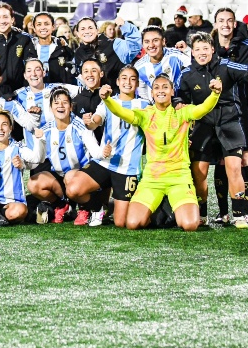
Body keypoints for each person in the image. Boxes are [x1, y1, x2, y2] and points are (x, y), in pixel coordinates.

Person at [100, 74, 221, 232]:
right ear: (151, 93)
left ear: (172, 91)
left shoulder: (183, 113)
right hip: (152, 179)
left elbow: (203, 108)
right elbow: (122, 112)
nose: (160, 90)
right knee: (132, 224)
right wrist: (107, 99)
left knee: (190, 225)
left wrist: (215, 94)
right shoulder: (146, 114)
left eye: (165, 87)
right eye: (156, 87)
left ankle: (170, 208)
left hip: (179, 178)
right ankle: (161, 211)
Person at [179, 32, 248, 228]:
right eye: (197, 49)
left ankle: (239, 214)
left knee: (235, 168)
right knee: (199, 173)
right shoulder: (186, 73)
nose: (202, 53)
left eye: (205, 48)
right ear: (192, 53)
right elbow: (179, 96)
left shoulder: (227, 65)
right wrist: (178, 103)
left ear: (212, 49)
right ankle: (202, 214)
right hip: (202, 126)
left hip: (229, 123)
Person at [27, 87, 102, 225]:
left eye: (64, 102)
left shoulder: (81, 127)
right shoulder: (46, 130)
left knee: (70, 177)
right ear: (50, 107)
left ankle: (85, 208)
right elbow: (37, 159)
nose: (60, 106)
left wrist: (104, 152)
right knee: (33, 183)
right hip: (60, 177)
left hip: (81, 177)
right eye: (56, 103)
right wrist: (22, 161)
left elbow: (96, 153)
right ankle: (62, 205)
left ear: (71, 107)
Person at [212, 8, 248, 224]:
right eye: (221, 20)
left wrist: (226, 65)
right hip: (214, 113)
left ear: (234, 24)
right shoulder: (209, 47)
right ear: (215, 24)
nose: (225, 24)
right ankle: (223, 213)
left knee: (244, 160)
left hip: (241, 111)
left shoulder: (245, 47)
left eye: (229, 21)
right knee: (221, 162)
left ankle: (243, 210)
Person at [85, 66, 149, 227]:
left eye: (132, 79)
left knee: (121, 223)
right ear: (118, 82)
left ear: (137, 83)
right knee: (73, 187)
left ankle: (116, 205)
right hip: (106, 162)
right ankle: (99, 208)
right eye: (124, 78)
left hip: (128, 168)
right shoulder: (108, 101)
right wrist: (90, 122)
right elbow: (95, 123)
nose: (128, 82)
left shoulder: (145, 105)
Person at [73, 16, 141, 90]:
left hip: (115, 96)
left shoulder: (114, 44)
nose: (87, 31)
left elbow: (134, 47)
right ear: (78, 33)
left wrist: (126, 27)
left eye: (90, 28)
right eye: (83, 29)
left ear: (97, 30)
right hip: (92, 98)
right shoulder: (78, 53)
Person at [133, 25, 191, 101]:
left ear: (163, 41)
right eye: (147, 42)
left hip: (182, 104)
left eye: (155, 40)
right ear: (143, 44)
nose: (151, 45)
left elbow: (195, 67)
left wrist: (187, 51)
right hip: (156, 109)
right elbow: (142, 94)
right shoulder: (139, 67)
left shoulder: (176, 55)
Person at [26, 12, 77, 84]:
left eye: (46, 24)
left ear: (53, 27)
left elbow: (72, 74)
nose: (43, 27)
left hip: (58, 92)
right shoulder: (27, 49)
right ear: (34, 28)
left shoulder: (64, 50)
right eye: (39, 24)